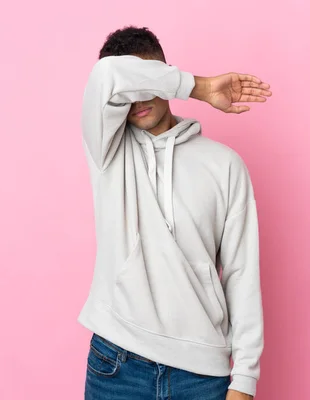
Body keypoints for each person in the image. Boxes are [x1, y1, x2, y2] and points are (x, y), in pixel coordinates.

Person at [78, 26, 271, 400]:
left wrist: (245, 380)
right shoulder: (106, 151)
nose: (137, 100)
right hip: (118, 365)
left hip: (201, 375)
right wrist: (199, 87)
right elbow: (106, 76)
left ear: (164, 74)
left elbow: (241, 274)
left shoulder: (224, 165)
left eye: (149, 80)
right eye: (130, 89)